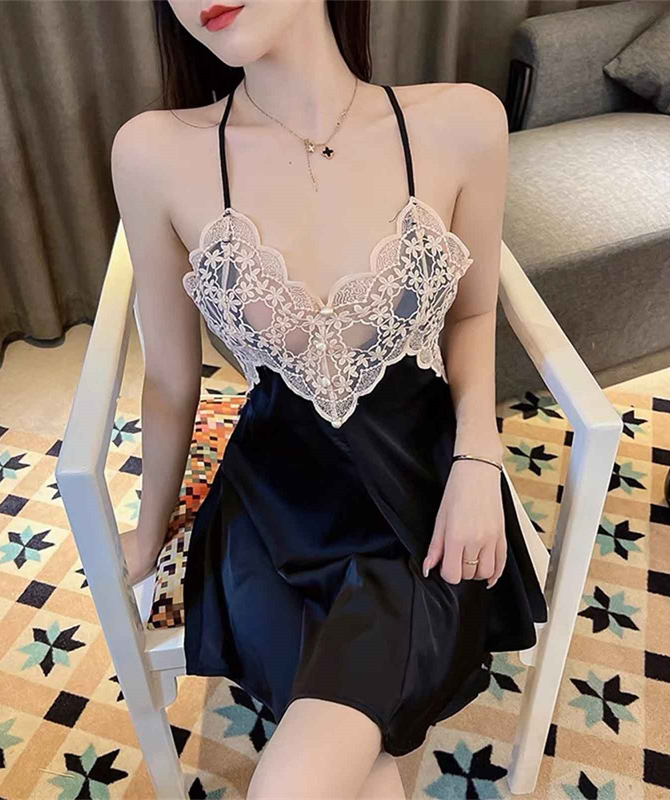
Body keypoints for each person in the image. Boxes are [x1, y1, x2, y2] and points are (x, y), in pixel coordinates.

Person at [111, 1, 547, 797]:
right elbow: (171, 380)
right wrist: (147, 535)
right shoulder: (155, 152)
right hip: (272, 507)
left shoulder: (463, 123)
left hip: (419, 497)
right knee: (356, 756)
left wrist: (479, 456)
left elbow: (473, 313)